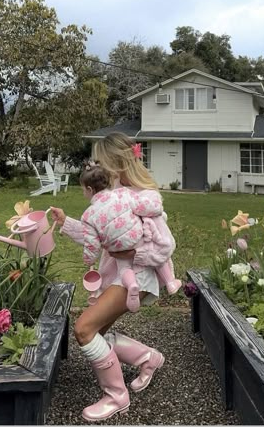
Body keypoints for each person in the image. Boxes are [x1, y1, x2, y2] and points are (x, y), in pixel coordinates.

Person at [50, 132, 180, 422]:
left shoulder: (141, 196)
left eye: (101, 160)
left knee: (84, 329)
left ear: (116, 163)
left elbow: (163, 243)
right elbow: (97, 233)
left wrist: (131, 256)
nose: (97, 165)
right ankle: (148, 358)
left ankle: (116, 396)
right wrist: (66, 222)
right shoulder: (115, 194)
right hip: (122, 276)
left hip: (137, 277)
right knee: (97, 331)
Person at [79, 160, 181, 313]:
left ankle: (131, 283)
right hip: (136, 237)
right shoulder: (122, 194)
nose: (83, 193)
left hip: (116, 247)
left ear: (89, 189)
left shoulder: (88, 215)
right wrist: (156, 209)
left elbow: (91, 244)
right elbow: (141, 206)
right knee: (160, 258)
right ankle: (170, 282)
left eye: (83, 190)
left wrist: (89, 259)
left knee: (124, 268)